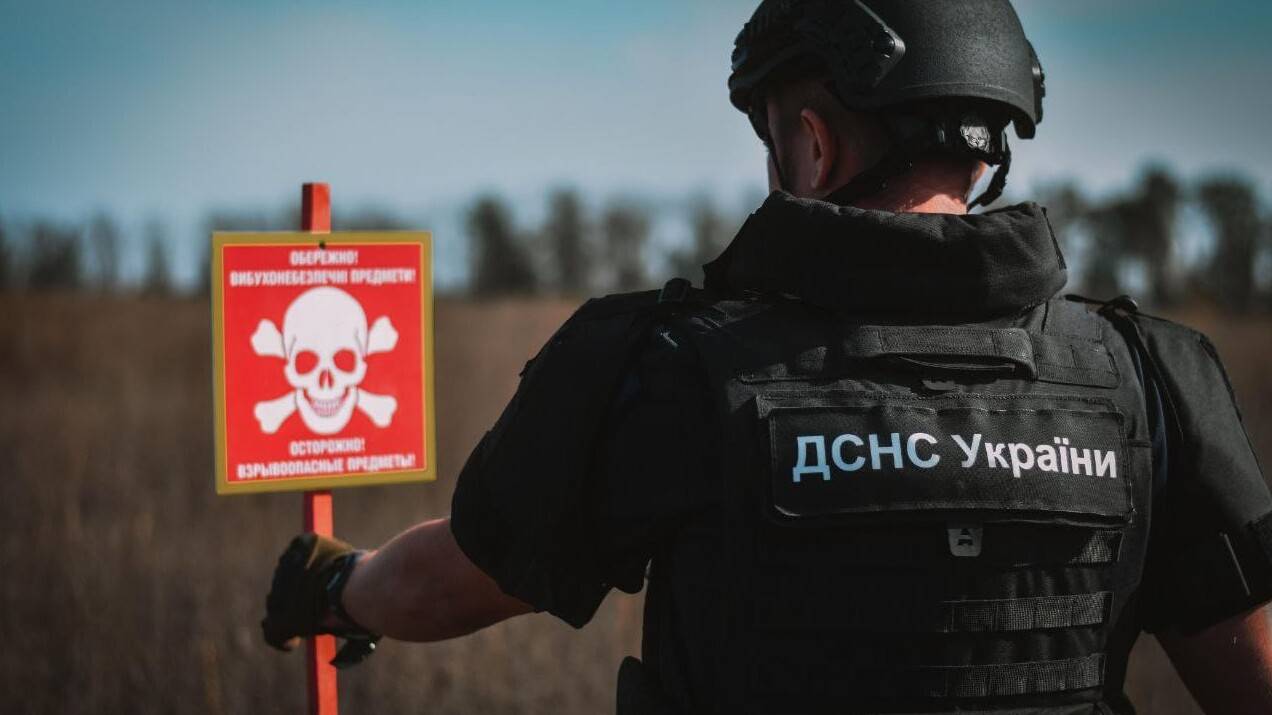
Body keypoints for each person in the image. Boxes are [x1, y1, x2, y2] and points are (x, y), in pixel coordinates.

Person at [262, 1, 1272, 712]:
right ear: (984, 148)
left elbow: (460, 578)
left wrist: (339, 585)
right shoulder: (1151, 379)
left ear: (816, 147)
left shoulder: (674, 366)